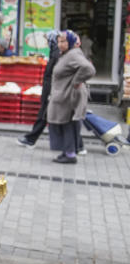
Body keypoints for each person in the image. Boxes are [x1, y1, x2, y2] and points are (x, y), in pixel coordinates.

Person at [47, 30, 94, 164]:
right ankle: (68, 152)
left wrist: (76, 81)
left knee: (66, 123)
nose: (60, 44)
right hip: (63, 95)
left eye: (64, 41)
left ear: (71, 42)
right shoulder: (67, 54)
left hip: (68, 96)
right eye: (59, 41)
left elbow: (89, 69)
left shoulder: (73, 55)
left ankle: (70, 154)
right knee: (65, 124)